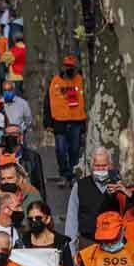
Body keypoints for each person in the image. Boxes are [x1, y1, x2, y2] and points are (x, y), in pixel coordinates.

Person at [64, 147, 132, 255]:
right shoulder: (80, 186)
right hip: (88, 244)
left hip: (115, 245)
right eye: (97, 166)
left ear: (110, 166)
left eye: (104, 166)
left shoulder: (119, 185)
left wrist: (124, 191)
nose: (100, 169)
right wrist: (71, 251)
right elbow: (71, 221)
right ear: (92, 167)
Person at [45, 55, 86, 186]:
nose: (69, 69)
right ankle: (64, 174)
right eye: (67, 66)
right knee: (61, 150)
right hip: (59, 121)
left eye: (71, 67)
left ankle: (73, 175)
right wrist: (47, 122)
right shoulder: (55, 82)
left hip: (77, 121)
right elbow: (48, 101)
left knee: (74, 149)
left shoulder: (81, 81)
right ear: (63, 66)